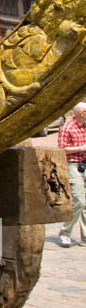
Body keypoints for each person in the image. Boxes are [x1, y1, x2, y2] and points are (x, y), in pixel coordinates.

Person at [58, 102, 86, 247]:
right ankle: (65, 233)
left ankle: (85, 236)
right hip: (74, 165)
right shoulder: (67, 128)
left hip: (85, 164)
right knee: (79, 201)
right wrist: (81, 147)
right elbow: (61, 149)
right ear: (81, 113)